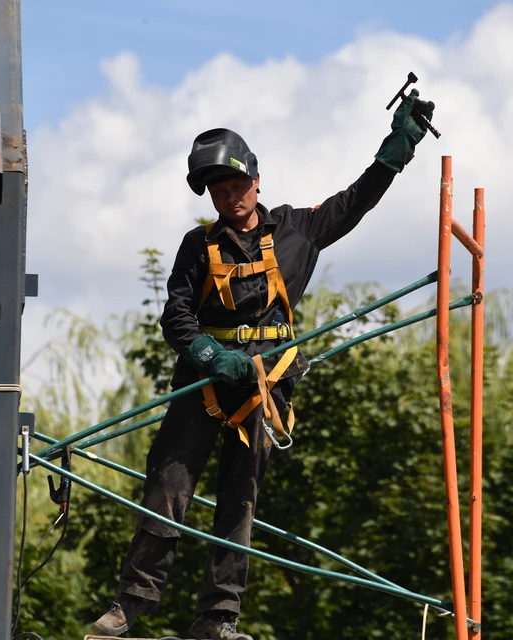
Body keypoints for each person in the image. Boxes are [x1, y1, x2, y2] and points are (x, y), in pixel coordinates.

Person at [93, 88, 435, 640]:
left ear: (255, 179)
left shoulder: (298, 231)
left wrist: (396, 150)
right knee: (168, 486)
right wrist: (209, 354)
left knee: (240, 502)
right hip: (204, 386)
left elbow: (356, 200)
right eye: (217, 190)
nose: (228, 197)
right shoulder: (197, 246)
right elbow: (177, 316)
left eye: (235, 185)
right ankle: (132, 605)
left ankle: (217, 619)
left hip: (263, 390)